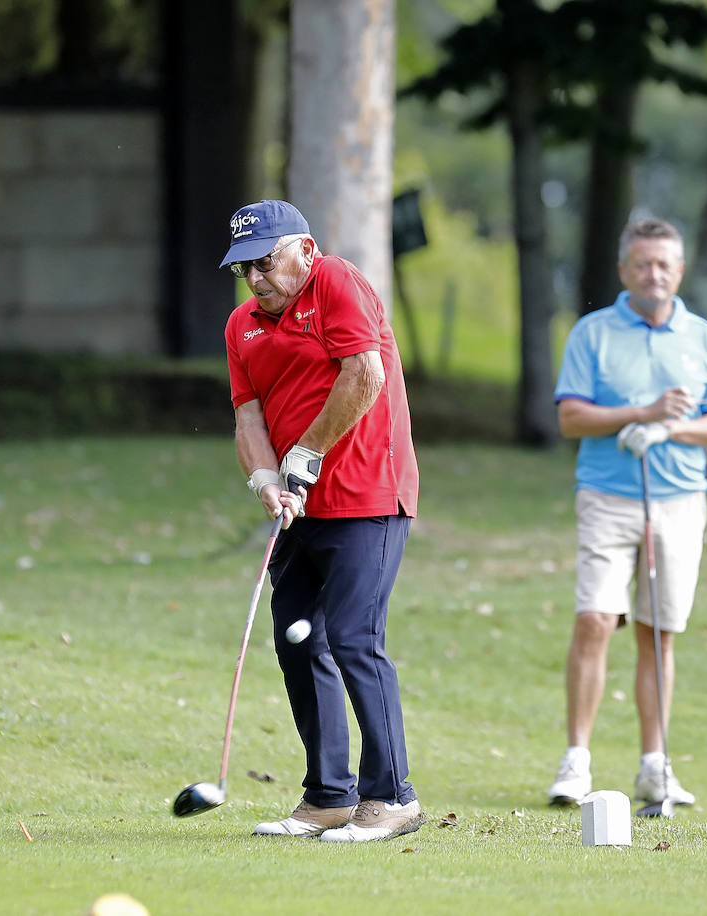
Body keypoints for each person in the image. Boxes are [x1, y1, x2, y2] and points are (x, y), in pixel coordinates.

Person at [221, 199, 424, 842]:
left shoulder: (334, 279)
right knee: (298, 639)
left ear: (303, 250)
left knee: (353, 637)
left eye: (266, 261)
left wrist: (304, 456)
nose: (256, 278)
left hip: (368, 496)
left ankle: (392, 796)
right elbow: (248, 417)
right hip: (299, 507)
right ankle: (329, 795)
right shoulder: (241, 326)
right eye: (245, 267)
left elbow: (363, 376)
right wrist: (265, 480)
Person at [548, 216, 707, 810]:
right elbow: (571, 418)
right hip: (607, 497)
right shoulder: (593, 332)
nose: (654, 274)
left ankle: (655, 767)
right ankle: (576, 762)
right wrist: (641, 414)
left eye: (665, 264)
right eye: (643, 264)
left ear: (679, 271)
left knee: (659, 634)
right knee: (595, 620)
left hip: (679, 502)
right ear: (624, 270)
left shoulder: (703, 337)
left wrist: (670, 428)